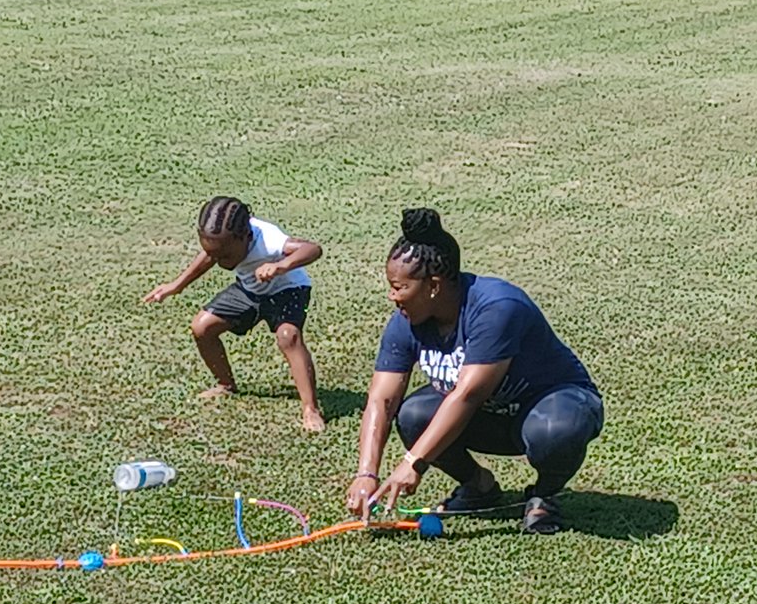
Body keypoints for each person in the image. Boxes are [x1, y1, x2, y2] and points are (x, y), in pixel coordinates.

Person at [345, 208, 603, 533]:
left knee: (554, 431)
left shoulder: (496, 308)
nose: (392, 296)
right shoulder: (406, 321)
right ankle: (479, 487)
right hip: (492, 415)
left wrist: (413, 463)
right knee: (413, 415)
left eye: (399, 287)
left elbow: (467, 394)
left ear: (434, 286)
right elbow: (381, 401)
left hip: (554, 404)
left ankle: (544, 496)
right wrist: (366, 473)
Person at [144, 196, 326, 432]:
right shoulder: (225, 240)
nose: (219, 262)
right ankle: (225, 384)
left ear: (245, 238)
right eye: (215, 255)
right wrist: (177, 285)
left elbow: (313, 248)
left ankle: (310, 409)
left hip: (288, 289)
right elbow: (208, 256)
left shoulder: (268, 240)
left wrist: (281, 266)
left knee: (288, 336)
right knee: (202, 327)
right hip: (250, 289)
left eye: (225, 256)